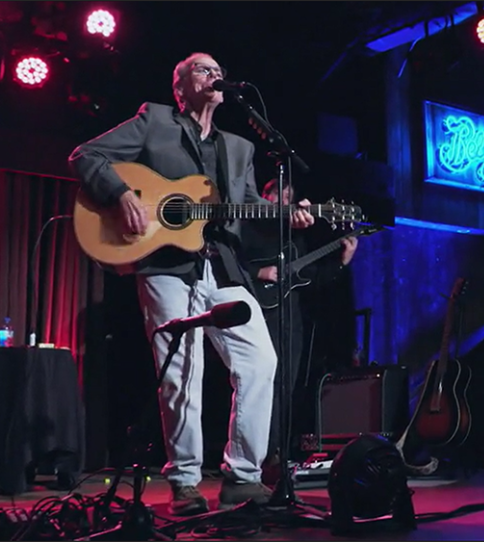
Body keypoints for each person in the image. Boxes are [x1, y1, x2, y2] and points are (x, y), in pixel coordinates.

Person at [68, 52, 316, 516]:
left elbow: (246, 207)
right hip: (165, 264)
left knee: (261, 361)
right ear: (180, 87)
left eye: (218, 71)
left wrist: (288, 216)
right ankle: (184, 481)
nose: (214, 75)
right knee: (183, 371)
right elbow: (86, 155)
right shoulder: (154, 121)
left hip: (221, 266)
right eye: (203, 69)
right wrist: (120, 194)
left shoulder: (239, 148)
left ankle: (243, 476)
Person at [240, 180, 358, 470]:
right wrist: (259, 272)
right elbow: (225, 262)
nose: (285, 202)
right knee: (259, 383)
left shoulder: (295, 238)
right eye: (278, 196)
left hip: (289, 317)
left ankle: (275, 452)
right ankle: (251, 455)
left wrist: (342, 263)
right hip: (256, 312)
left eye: (289, 198)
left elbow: (310, 278)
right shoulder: (249, 227)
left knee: (286, 385)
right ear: (263, 197)